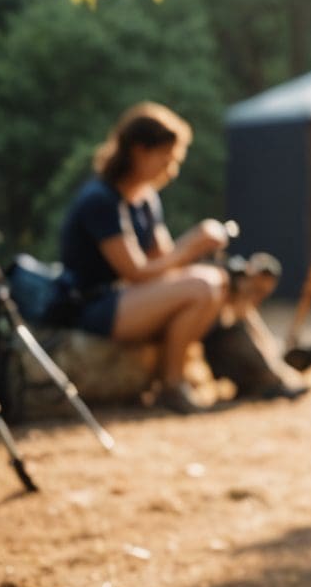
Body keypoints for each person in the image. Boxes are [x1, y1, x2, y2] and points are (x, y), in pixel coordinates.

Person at [58, 102, 297, 413]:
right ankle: (171, 385)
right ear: (140, 151)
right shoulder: (100, 201)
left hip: (131, 301)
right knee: (201, 286)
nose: (172, 170)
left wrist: (211, 260)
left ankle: (261, 372)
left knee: (217, 281)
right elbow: (137, 272)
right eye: (166, 159)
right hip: (93, 305)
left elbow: (165, 263)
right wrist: (192, 245)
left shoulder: (145, 199)